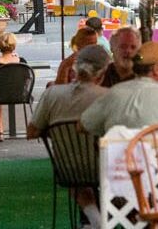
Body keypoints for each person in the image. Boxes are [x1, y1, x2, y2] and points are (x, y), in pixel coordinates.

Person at [28, 45, 111, 229]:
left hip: (67, 168)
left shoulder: (52, 94)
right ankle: (108, 220)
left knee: (79, 178)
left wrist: (58, 133)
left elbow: (31, 132)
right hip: (104, 166)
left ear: (75, 69)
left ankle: (95, 220)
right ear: (102, 73)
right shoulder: (107, 96)